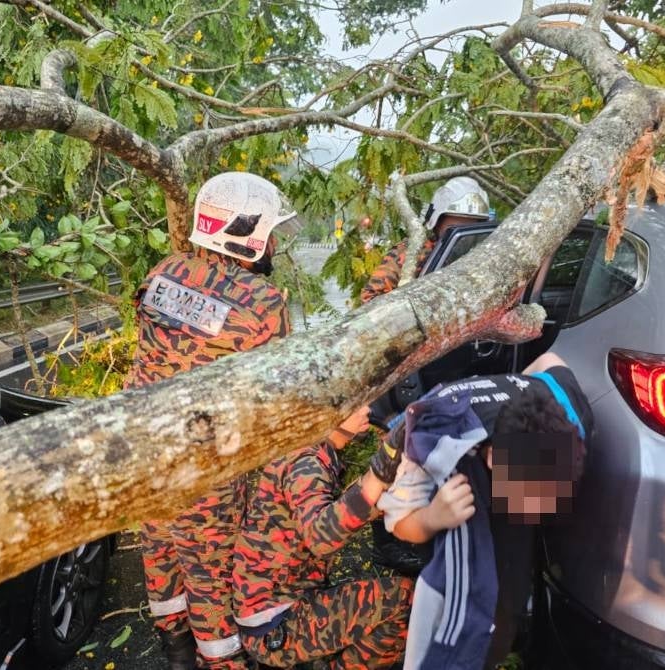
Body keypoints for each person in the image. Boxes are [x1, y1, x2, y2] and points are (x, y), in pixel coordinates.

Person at [124, 172, 299, 670]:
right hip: (205, 471)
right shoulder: (264, 303)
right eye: (269, 233)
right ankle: (218, 660)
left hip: (145, 453)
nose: (274, 244)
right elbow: (278, 396)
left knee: (159, 552)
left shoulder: (162, 273)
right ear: (245, 233)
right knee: (211, 575)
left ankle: (174, 649)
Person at [378, 352, 593, 669]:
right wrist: (432, 518)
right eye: (530, 495)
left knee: (507, 598)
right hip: (451, 504)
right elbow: (397, 522)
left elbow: (549, 358)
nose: (537, 507)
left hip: (509, 453)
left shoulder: (566, 404)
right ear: (492, 457)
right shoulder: (434, 442)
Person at [360, 176, 491, 577]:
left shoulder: (482, 259)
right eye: (456, 224)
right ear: (436, 222)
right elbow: (369, 309)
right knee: (397, 458)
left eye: (471, 224)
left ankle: (433, 528)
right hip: (410, 372)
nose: (462, 232)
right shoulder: (409, 257)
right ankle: (392, 538)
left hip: (456, 370)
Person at [232, 406, 415, 669]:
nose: (367, 410)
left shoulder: (309, 450)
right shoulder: (306, 463)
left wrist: (387, 493)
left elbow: (338, 508)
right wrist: (378, 474)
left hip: (272, 608)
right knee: (404, 599)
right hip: (276, 622)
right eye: (354, 405)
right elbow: (321, 537)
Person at [360, 176, 489, 303]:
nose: (463, 238)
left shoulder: (485, 255)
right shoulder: (409, 254)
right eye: (453, 229)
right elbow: (370, 300)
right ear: (437, 223)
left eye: (470, 228)